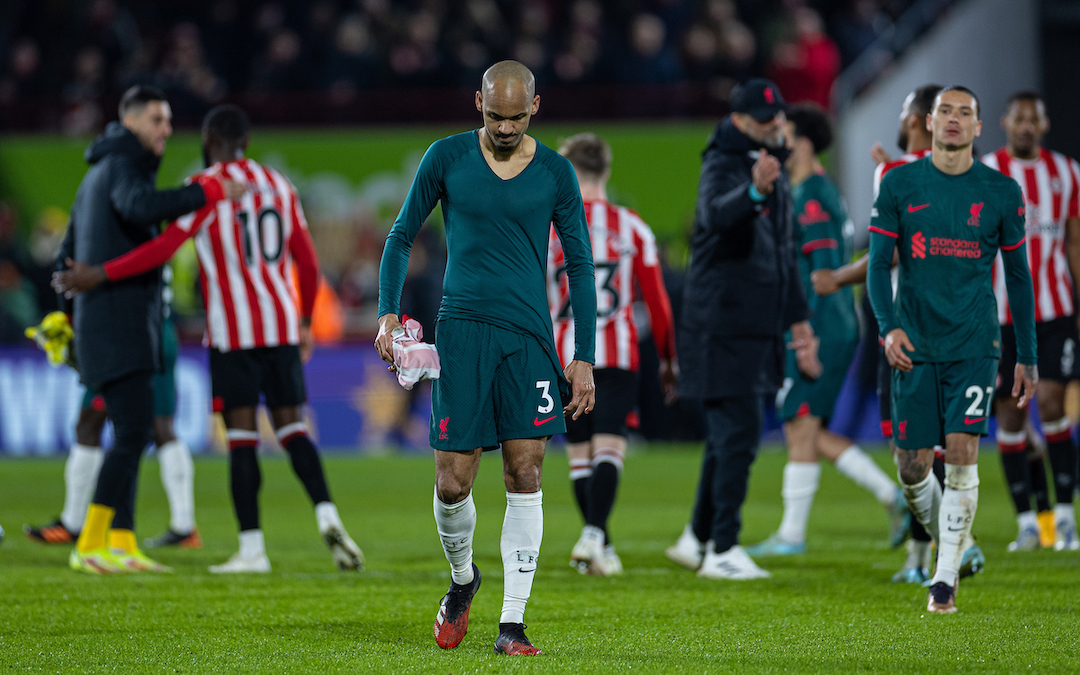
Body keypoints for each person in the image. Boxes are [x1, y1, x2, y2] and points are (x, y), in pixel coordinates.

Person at [53, 104, 364, 574]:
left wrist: (102, 272)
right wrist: (302, 321)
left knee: (241, 438)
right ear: (247, 140)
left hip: (234, 332)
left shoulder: (206, 188)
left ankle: (252, 549)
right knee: (292, 428)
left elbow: (160, 248)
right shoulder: (280, 184)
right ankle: (328, 514)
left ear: (208, 140)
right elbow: (307, 261)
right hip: (280, 327)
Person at [375, 61, 597, 656]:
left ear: (536, 106)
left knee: (525, 472)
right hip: (463, 336)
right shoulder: (445, 158)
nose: (504, 127)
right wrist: (388, 313)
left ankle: (513, 624)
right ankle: (463, 579)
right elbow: (400, 236)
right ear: (477, 102)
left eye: (516, 116)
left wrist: (585, 355)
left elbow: (580, 265)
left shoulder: (555, 172)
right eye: (494, 115)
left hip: (529, 340)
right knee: (453, 483)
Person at [54, 85, 241, 574]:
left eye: (168, 119)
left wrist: (63, 314)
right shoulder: (123, 167)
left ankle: (120, 541)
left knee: (128, 431)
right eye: (158, 119)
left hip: (103, 323)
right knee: (135, 431)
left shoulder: (97, 172)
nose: (166, 129)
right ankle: (91, 542)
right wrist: (206, 191)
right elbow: (140, 207)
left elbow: (67, 249)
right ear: (130, 120)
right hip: (119, 323)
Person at [867, 85, 1037, 613]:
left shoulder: (1002, 192)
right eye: (947, 111)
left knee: (961, 456)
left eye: (967, 112)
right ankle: (956, 539)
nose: (955, 120)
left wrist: (1026, 355)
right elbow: (876, 267)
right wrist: (888, 327)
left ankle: (944, 581)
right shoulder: (899, 183)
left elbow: (1019, 276)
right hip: (914, 344)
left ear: (979, 127)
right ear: (931, 121)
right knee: (912, 467)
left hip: (973, 344)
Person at [664, 78, 821, 581]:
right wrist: (755, 188)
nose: (777, 125)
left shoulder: (770, 162)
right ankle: (724, 548)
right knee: (741, 434)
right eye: (765, 119)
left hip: (754, 322)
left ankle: (698, 537)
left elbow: (784, 256)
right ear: (739, 120)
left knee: (730, 437)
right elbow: (712, 215)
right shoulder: (725, 162)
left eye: (778, 117)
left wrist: (798, 323)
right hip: (723, 322)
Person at [744, 103, 908, 558]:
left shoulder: (812, 194)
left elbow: (822, 274)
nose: (778, 142)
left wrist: (805, 335)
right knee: (803, 424)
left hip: (822, 324)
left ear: (806, 142)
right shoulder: (807, 190)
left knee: (800, 423)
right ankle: (891, 496)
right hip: (822, 323)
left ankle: (793, 536)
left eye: (786, 134)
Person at [547, 132, 678, 576]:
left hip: (562, 352)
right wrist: (667, 357)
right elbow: (658, 302)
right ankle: (595, 536)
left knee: (580, 454)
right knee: (609, 448)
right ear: (606, 170)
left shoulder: (545, 227)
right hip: (616, 351)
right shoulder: (631, 226)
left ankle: (597, 542)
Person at [25, 269, 199, 549]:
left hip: (127, 336)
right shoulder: (153, 232)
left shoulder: (120, 231)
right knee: (159, 425)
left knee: (93, 424)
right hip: (159, 328)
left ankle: (75, 523)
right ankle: (183, 524)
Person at [982, 91, 1080, 552]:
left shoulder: (1067, 172)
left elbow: (1075, 243)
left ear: (1043, 125)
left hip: (1055, 311)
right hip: (1000, 316)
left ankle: (1063, 518)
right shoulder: (985, 171)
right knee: (1009, 412)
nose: (1024, 126)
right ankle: (1026, 522)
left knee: (1055, 404)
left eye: (1033, 119)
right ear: (1005, 122)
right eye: (1018, 118)